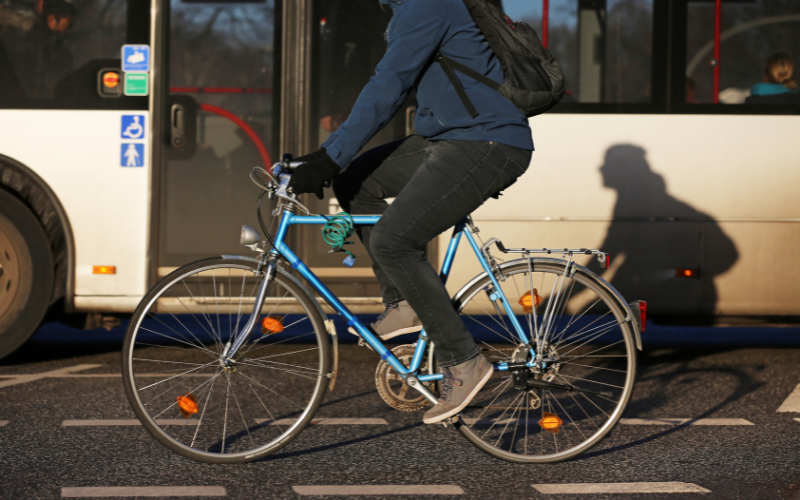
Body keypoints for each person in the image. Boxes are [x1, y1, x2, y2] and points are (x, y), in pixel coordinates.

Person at [288, 0, 533, 424]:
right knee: (354, 182)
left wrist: (330, 156)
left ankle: (464, 361)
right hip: (453, 138)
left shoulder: (429, 4)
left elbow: (389, 85)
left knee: (393, 240)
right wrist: (329, 160)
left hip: (486, 143)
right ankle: (404, 302)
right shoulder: (411, 7)